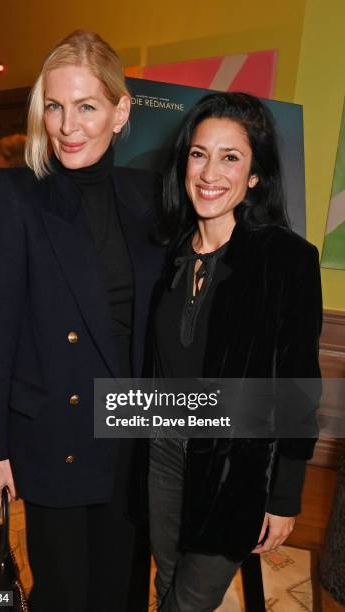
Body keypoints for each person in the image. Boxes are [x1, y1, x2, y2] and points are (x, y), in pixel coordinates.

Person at [0, 30, 163, 612]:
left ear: (120, 110)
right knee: (64, 592)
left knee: (124, 586)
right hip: (56, 427)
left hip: (133, 428)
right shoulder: (17, 192)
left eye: (86, 106)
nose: (67, 125)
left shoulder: (150, 194)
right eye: (54, 106)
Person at [148, 92, 322, 611]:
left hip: (235, 468)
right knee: (166, 582)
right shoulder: (163, 252)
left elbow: (298, 383)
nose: (209, 172)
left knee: (190, 601)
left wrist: (285, 495)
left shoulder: (286, 260)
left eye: (230, 157)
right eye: (199, 154)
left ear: (254, 176)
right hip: (160, 451)